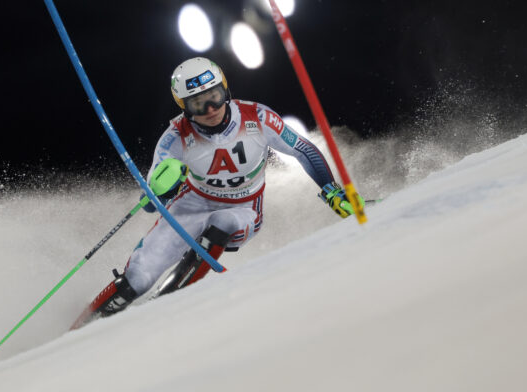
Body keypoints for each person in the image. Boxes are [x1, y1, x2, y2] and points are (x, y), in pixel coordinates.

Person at [70, 57, 361, 329]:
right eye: (198, 104)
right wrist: (162, 190)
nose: (210, 109)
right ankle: (76, 332)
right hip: (191, 206)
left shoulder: (257, 117)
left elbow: (303, 150)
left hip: (243, 208)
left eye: (215, 96)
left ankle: (165, 308)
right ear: (184, 106)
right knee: (137, 277)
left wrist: (332, 192)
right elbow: (149, 204)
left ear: (225, 89)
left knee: (224, 222)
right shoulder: (175, 137)